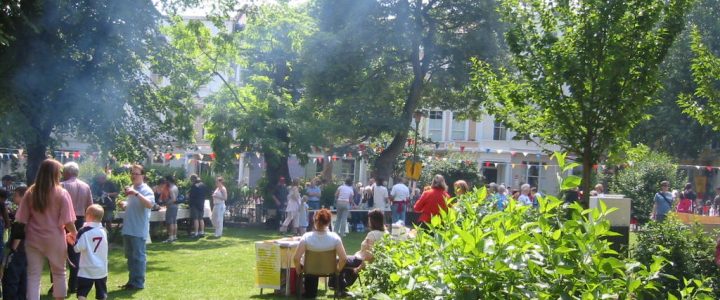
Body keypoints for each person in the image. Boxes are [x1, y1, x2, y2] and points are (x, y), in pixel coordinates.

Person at [15, 159, 77, 300]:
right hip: (55, 239)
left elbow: (21, 219)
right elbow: (68, 221)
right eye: (59, 172)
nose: (61, 175)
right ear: (54, 173)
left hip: (33, 239)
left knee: (33, 275)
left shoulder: (31, 192)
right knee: (59, 273)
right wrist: (74, 233)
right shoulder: (61, 193)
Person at [292, 209, 347, 298]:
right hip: (329, 269)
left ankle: (309, 295)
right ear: (329, 222)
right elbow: (344, 259)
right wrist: (337, 270)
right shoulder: (335, 238)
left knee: (309, 272)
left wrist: (299, 271)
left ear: (314, 220)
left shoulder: (306, 237)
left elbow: (296, 258)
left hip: (310, 270)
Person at [333, 209, 387, 294]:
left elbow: (369, 255)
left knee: (338, 260)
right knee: (344, 259)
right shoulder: (386, 233)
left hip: (361, 261)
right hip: (371, 261)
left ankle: (338, 287)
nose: (368, 222)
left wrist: (359, 268)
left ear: (373, 221)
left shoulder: (372, 235)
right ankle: (342, 285)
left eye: (369, 220)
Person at [119, 164, 155, 290]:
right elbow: (133, 205)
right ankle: (131, 281)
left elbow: (150, 204)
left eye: (136, 173)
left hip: (138, 229)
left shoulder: (146, 190)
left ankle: (138, 283)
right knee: (130, 257)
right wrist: (125, 204)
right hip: (128, 228)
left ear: (142, 176)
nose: (133, 175)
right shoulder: (132, 189)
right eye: (132, 173)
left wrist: (136, 194)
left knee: (139, 257)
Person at [61, 162, 93, 294]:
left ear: (67, 172)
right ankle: (74, 284)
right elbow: (90, 206)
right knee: (76, 253)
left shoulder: (62, 186)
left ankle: (57, 283)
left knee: (59, 252)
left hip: (65, 221)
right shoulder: (86, 186)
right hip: (80, 220)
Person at [73, 204, 108, 300]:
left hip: (86, 269)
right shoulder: (103, 231)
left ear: (89, 216)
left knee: (82, 293)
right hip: (101, 268)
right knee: (102, 293)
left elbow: (77, 248)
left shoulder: (83, 231)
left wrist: (72, 241)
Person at [3, 186, 28, 300]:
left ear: (23, 196)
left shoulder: (22, 210)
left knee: (12, 277)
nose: (13, 197)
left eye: (15, 195)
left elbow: (20, 230)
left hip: (18, 249)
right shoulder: (31, 209)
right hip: (27, 249)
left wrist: (13, 249)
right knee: (23, 277)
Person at [162, 176, 179, 243]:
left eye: (166, 180)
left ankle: (170, 237)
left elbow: (173, 199)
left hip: (171, 206)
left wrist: (166, 203)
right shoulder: (176, 187)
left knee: (170, 222)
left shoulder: (171, 188)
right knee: (174, 221)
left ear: (169, 181)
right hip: (175, 206)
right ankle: (174, 236)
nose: (166, 182)